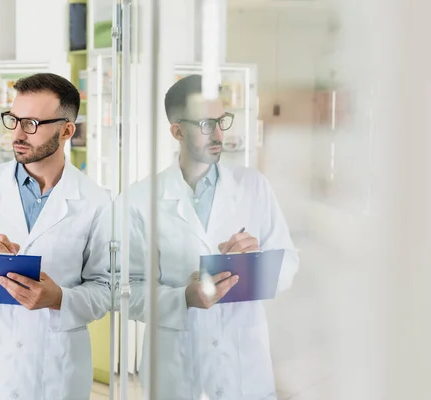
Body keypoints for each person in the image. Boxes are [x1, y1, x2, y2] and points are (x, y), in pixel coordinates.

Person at [118, 74, 299, 399]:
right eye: (205, 123)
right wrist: (184, 297)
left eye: (221, 121)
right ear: (176, 130)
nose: (218, 134)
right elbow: (125, 290)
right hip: (173, 364)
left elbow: (289, 262)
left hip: (242, 362)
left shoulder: (253, 186)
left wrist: (254, 265)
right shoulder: (139, 199)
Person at [0, 73, 111, 400]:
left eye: (32, 124)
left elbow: (106, 287)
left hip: (56, 367)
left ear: (67, 130)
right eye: (13, 119)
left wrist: (59, 299)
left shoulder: (96, 201)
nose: (17, 133)